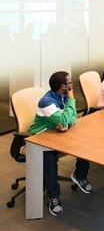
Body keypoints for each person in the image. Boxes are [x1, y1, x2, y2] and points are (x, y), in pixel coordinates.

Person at [29, 71, 92, 216]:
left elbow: (73, 116)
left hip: (57, 133)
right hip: (40, 136)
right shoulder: (46, 101)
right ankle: (53, 196)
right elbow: (64, 118)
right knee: (49, 157)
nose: (72, 85)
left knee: (84, 142)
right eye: (70, 83)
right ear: (63, 86)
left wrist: (66, 124)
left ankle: (80, 176)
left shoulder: (63, 96)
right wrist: (67, 112)